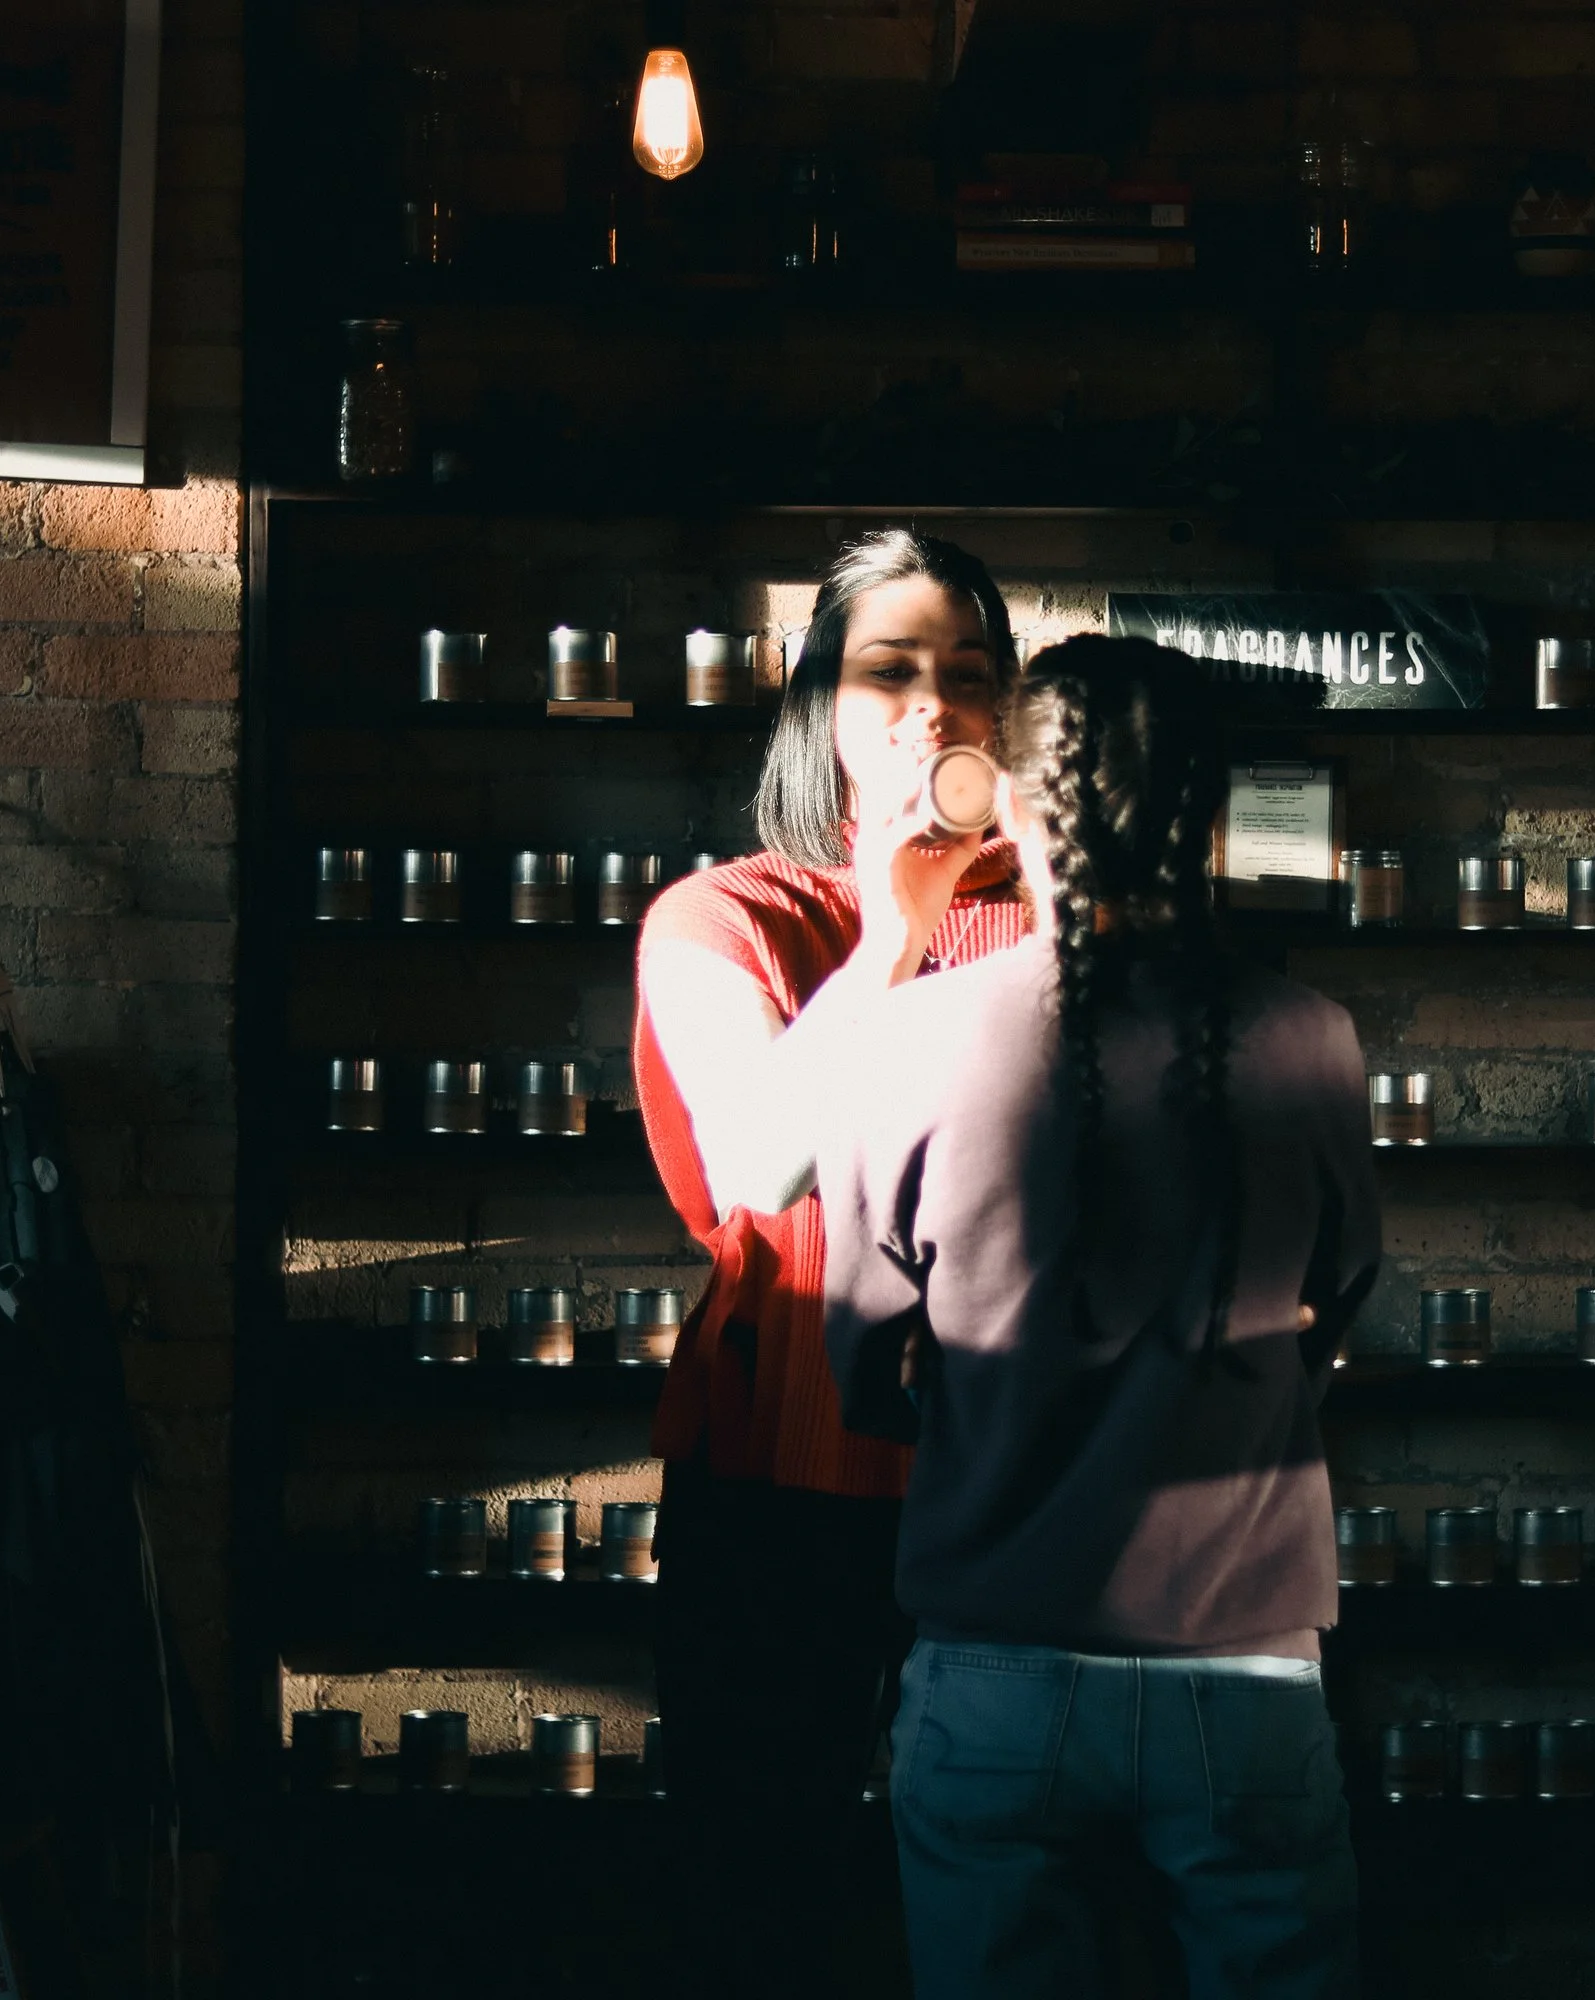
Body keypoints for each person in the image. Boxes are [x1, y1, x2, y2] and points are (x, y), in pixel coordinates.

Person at [819, 635, 1380, 1999]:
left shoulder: (907, 1043)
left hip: (995, 1658)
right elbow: (1334, 1316)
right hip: (1241, 1669)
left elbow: (862, 1372)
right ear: (1213, 820)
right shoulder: (1311, 1036)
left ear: (1008, 802)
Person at [632, 529, 1030, 1998]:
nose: (935, 706)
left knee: (1005, 1894)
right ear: (818, 709)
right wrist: (892, 936)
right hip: (783, 1472)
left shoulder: (1061, 918)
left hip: (1015, 1478)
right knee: (761, 1883)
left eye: (970, 675)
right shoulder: (725, 917)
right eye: (890, 670)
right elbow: (759, 1164)